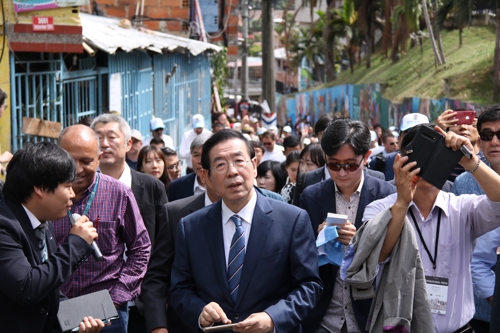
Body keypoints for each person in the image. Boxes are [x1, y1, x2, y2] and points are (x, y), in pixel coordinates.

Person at [169, 129, 322, 332]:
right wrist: (200, 312)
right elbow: (179, 289)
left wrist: (273, 318)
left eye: (239, 161)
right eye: (221, 164)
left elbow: (309, 285)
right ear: (206, 176)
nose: (232, 171)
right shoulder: (190, 227)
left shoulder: (292, 220)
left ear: (254, 166)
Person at [362, 124, 500, 333]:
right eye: (420, 156)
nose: (428, 164)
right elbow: (379, 255)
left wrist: (471, 162)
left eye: (437, 156)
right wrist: (402, 201)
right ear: (401, 160)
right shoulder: (379, 209)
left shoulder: (462, 208)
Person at [300, 118, 396, 333]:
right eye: (334, 165)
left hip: (370, 316)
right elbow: (300, 259)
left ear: (367, 157)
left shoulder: (386, 195)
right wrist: (318, 241)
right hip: (324, 317)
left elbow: (394, 254)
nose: (342, 173)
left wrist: (361, 240)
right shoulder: (312, 196)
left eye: (351, 165)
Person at [55, 124, 151, 333]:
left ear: (99, 159)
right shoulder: (45, 195)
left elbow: (141, 249)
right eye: (70, 160)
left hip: (108, 314)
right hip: (56, 312)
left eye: (86, 161)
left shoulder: (119, 194)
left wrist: (116, 297)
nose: (77, 169)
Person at [0, 142, 104, 333]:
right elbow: (26, 287)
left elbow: (48, 288)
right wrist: (75, 245)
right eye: (67, 186)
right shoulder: (4, 226)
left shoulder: (44, 224)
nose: (72, 195)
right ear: (39, 188)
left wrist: (76, 322)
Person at [453, 107, 500, 332]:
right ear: (479, 142)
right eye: (488, 135)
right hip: (477, 311)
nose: (495, 141)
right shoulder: (463, 182)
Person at [436, 109, 480, 181]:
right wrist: (437, 132)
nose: (463, 127)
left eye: (469, 123)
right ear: (447, 130)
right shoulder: (439, 161)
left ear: (480, 131)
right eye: (456, 123)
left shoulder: (491, 161)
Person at [168, 133, 212, 202]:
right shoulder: (177, 186)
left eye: (204, 155)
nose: (200, 161)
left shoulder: (224, 185)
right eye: (196, 155)